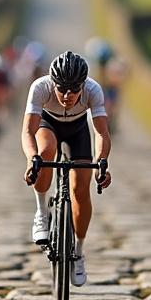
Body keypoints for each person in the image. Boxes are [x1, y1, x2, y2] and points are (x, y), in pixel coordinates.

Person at [22, 51, 113, 287]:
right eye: (62, 88)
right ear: (53, 83)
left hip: (78, 131)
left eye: (74, 89)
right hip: (48, 124)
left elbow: (102, 132)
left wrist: (102, 161)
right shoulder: (40, 87)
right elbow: (28, 131)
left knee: (80, 189)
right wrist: (32, 158)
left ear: (83, 85)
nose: (67, 95)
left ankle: (79, 252)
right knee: (45, 153)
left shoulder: (93, 90)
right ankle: (42, 212)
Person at [86, 37, 128, 132]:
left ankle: (110, 123)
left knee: (111, 103)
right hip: (102, 88)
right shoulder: (94, 66)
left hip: (107, 88)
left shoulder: (110, 65)